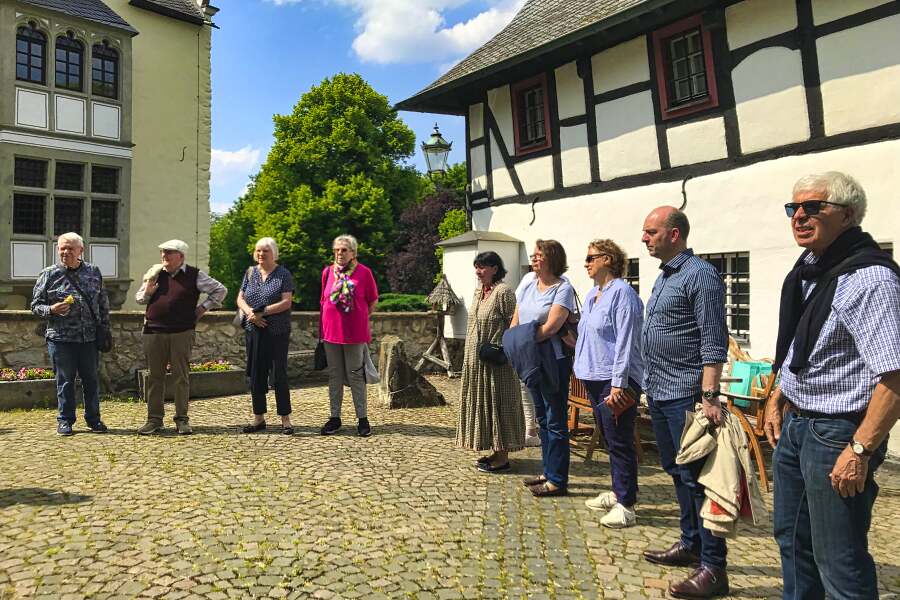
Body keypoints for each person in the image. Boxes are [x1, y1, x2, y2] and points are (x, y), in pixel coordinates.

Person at [764, 172, 900, 599]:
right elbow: (803, 347)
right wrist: (777, 395)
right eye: (794, 208)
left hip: (839, 432)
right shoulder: (811, 269)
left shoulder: (869, 279)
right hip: (798, 426)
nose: (799, 216)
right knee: (791, 542)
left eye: (813, 207)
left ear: (848, 215)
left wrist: (859, 449)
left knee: (837, 559)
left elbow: (894, 376)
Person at [640, 207, 730, 598]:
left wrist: (710, 396)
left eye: (651, 231)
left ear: (674, 234)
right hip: (660, 390)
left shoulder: (701, 276)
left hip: (687, 394)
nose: (644, 238)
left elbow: (713, 340)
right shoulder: (665, 276)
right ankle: (690, 541)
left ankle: (713, 566)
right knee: (676, 472)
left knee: (698, 480)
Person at [574, 239, 645, 528]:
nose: (586, 262)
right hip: (593, 376)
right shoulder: (593, 295)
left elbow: (626, 341)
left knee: (619, 439)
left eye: (591, 257)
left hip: (614, 380)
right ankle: (618, 491)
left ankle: (626, 504)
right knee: (607, 436)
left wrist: (619, 383)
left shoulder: (623, 294)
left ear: (608, 259)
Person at [135, 240, 226, 435]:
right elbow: (139, 299)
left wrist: (202, 308)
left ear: (181, 256)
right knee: (155, 377)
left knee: (180, 377)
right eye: (162, 253)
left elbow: (220, 290)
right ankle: (154, 420)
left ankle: (182, 419)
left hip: (181, 332)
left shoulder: (194, 275)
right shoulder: (155, 273)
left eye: (169, 253)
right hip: (154, 331)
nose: (164, 256)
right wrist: (148, 291)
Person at [512, 239, 577, 497]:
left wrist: (522, 337)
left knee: (555, 418)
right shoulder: (529, 283)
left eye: (539, 254)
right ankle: (547, 471)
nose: (534, 258)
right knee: (542, 418)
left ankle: (558, 479)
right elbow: (517, 316)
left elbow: (551, 327)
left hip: (552, 358)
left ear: (552, 258)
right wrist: (515, 338)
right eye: (534, 254)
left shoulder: (563, 288)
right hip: (530, 355)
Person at [31, 232, 110, 436]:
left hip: (89, 339)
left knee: (91, 380)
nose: (65, 252)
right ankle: (65, 420)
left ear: (80, 251)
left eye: (70, 248)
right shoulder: (48, 274)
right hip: (61, 338)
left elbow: (103, 303)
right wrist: (51, 310)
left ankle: (94, 419)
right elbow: (35, 305)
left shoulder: (94, 272)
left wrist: (105, 328)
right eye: (62, 248)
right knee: (65, 381)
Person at [456, 251, 525, 472]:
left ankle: (503, 457)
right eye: (476, 266)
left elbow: (514, 323)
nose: (478, 271)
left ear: (495, 268)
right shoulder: (479, 292)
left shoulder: (504, 292)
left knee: (499, 404)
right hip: (477, 365)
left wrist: (504, 349)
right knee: (485, 406)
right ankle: (495, 450)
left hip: (497, 364)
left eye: (483, 267)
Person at [319, 234, 379, 438]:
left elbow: (372, 302)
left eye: (344, 250)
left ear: (353, 253)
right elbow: (323, 301)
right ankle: (334, 417)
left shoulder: (364, 273)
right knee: (334, 375)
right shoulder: (327, 272)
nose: (339, 253)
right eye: (336, 249)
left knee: (355, 375)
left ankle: (362, 418)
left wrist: (357, 318)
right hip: (330, 333)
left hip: (354, 333)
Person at [237, 238, 295, 435]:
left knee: (279, 374)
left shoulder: (283, 274)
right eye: (258, 251)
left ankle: (285, 419)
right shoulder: (250, 272)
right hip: (253, 331)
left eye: (265, 251)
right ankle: (258, 417)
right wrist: (251, 314)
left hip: (276, 332)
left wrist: (263, 312)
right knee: (256, 374)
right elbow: (240, 298)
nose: (261, 254)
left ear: (274, 253)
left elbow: (287, 302)